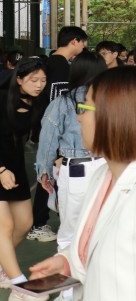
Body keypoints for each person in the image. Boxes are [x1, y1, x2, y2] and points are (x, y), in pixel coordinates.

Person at [28, 66, 136, 300]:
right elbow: (96, 246)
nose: (79, 117)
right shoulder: (103, 175)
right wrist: (65, 262)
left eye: (85, 108)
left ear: (116, 116)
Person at [35, 50, 107, 252]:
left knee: (70, 230)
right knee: (102, 225)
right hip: (107, 167)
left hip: (76, 170)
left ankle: (69, 279)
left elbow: (48, 140)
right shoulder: (111, 100)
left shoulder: (63, 102)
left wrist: (44, 172)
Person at [29, 26, 88, 243]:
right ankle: (38, 224)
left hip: (51, 130)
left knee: (51, 177)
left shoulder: (53, 62)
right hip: (54, 132)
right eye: (83, 42)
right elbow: (59, 104)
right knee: (48, 176)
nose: (83, 47)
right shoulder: (60, 66)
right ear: (74, 41)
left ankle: (41, 221)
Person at [0, 58, 47, 290]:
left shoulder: (38, 103)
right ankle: (19, 284)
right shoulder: (1, 99)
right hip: (0, 167)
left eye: (43, 80)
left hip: (16, 167)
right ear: (19, 79)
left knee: (25, 223)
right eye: (33, 80)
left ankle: (2, 264)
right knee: (4, 226)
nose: (39, 85)